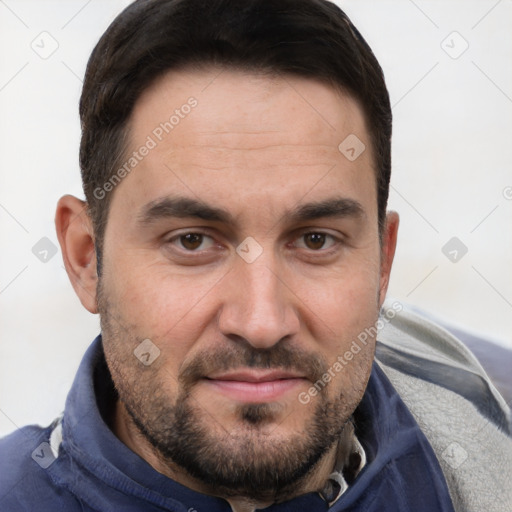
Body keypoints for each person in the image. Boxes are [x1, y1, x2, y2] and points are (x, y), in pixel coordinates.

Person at [0, 0, 510, 511]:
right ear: (87, 258)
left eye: (316, 240)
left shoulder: (492, 427)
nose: (261, 322)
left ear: (382, 262)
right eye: (193, 241)